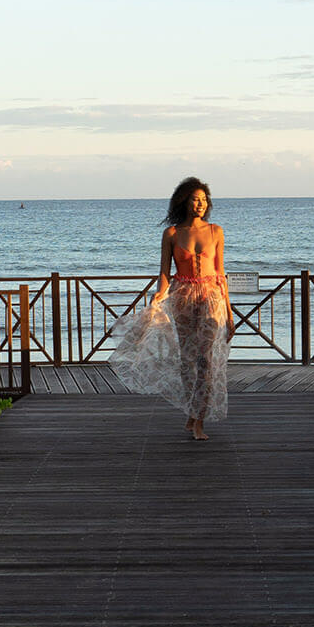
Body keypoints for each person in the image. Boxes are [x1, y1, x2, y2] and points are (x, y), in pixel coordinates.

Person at [109, 177, 233, 439]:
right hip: (183, 298)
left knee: (206, 360)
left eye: (203, 199)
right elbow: (165, 273)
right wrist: (158, 295)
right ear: (184, 201)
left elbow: (221, 274)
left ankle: (199, 420)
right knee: (187, 360)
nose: (200, 204)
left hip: (211, 298)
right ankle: (192, 410)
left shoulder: (216, 231)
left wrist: (230, 315)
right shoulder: (172, 234)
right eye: (195, 199)